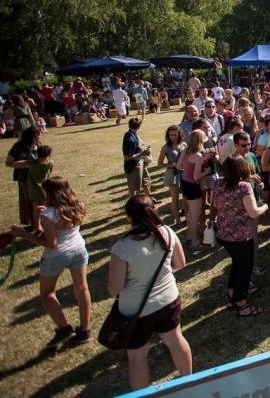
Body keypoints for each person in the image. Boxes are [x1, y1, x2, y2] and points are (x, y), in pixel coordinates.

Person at [107, 194, 191, 389]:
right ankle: (189, 383)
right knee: (175, 341)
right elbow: (180, 263)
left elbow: (114, 289)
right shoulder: (167, 232)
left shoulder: (122, 248)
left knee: (137, 357)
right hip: (168, 300)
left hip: (135, 310)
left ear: (129, 217)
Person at [9, 177, 92, 348]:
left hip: (56, 256)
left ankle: (64, 329)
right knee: (82, 288)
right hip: (79, 250)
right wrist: (43, 215)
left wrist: (23, 234)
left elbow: (51, 243)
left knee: (47, 294)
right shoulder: (78, 205)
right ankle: (85, 330)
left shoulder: (48, 215)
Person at [212, 155, 268, 315]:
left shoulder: (218, 183)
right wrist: (264, 206)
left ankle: (231, 296)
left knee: (237, 264)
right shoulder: (244, 187)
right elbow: (253, 212)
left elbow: (214, 205)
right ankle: (241, 303)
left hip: (223, 234)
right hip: (241, 236)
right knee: (244, 269)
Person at [178, 129, 212, 249]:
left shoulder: (185, 151)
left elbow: (178, 166)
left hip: (184, 183)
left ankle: (189, 236)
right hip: (193, 185)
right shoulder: (198, 156)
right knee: (195, 213)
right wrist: (206, 171)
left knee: (191, 212)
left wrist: (187, 169)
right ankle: (194, 241)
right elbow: (196, 177)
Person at [7, 127, 42, 228]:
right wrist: (26, 163)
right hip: (24, 177)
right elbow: (9, 163)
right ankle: (32, 223)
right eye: (37, 135)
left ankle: (40, 223)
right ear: (31, 136)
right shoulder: (18, 147)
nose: (40, 136)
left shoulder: (38, 145)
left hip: (37, 176)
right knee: (27, 200)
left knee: (39, 200)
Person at [158, 125, 186, 227]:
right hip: (172, 174)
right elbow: (160, 164)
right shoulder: (166, 147)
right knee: (175, 199)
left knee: (185, 197)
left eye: (175, 135)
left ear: (179, 134)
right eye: (171, 135)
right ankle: (178, 220)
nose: (173, 137)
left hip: (184, 173)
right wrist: (172, 165)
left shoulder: (184, 145)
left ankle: (187, 216)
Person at [122, 117, 153, 199]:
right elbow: (126, 157)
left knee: (146, 182)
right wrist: (142, 153)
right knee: (133, 187)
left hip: (139, 162)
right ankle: (133, 202)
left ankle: (149, 199)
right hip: (133, 166)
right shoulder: (130, 139)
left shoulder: (132, 134)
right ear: (139, 126)